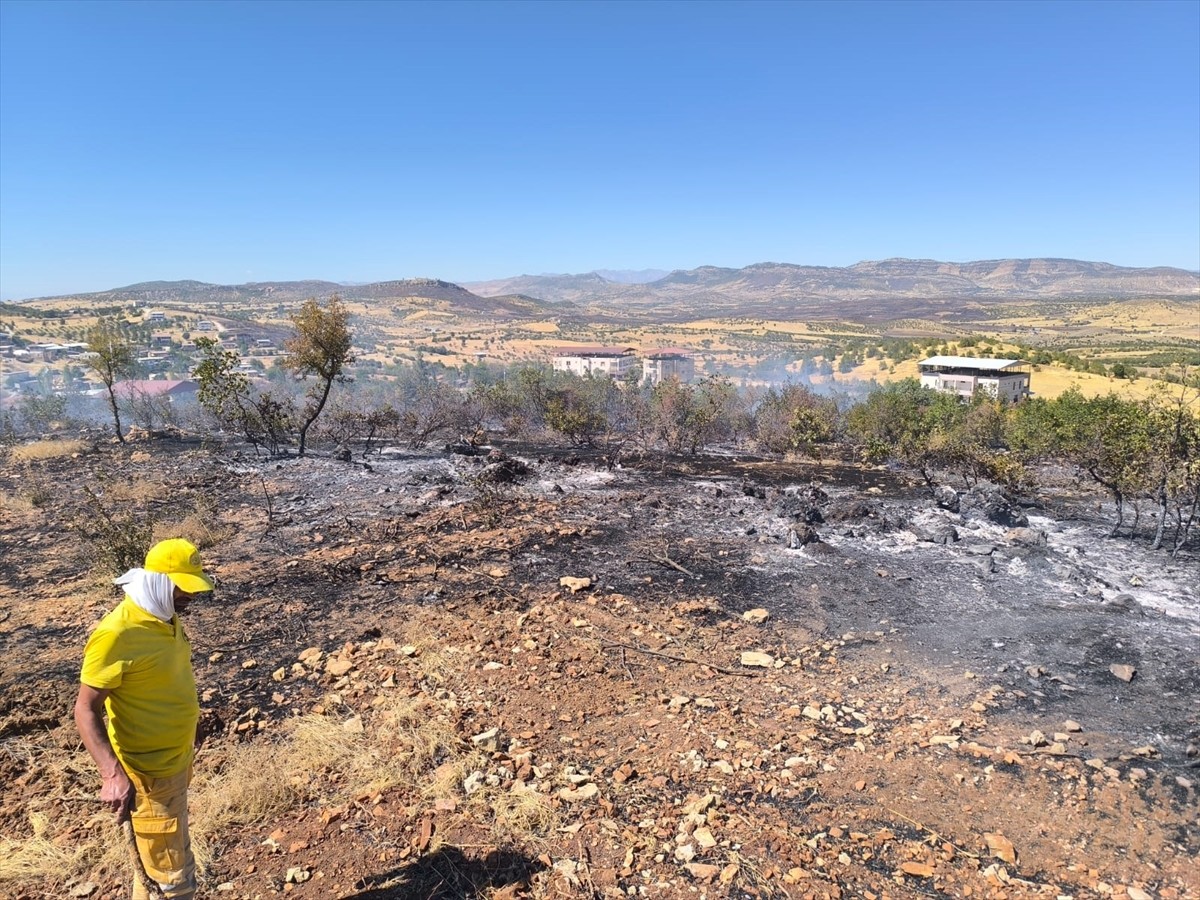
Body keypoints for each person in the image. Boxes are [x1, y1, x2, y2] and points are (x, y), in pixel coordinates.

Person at [74, 538, 214, 900]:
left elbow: (167, 677)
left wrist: (189, 721)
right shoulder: (116, 634)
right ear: (158, 581)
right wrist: (112, 775)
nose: (191, 596)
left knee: (156, 870)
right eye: (184, 586)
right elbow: (85, 709)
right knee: (172, 881)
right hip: (149, 774)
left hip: (175, 762)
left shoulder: (164, 615)